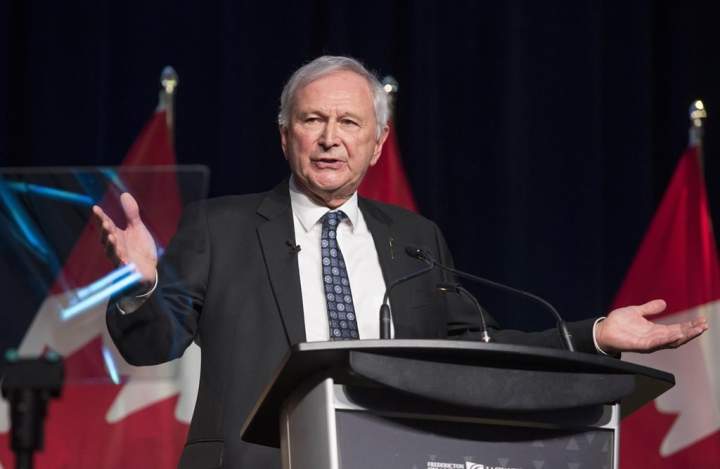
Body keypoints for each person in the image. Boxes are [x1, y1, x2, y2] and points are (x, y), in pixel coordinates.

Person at [92, 55, 708, 469]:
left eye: (349, 122)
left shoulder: (414, 238)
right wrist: (141, 286)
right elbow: (152, 344)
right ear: (285, 136)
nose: (330, 137)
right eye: (313, 120)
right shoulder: (220, 227)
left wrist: (595, 334)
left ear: (377, 143)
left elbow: (477, 348)